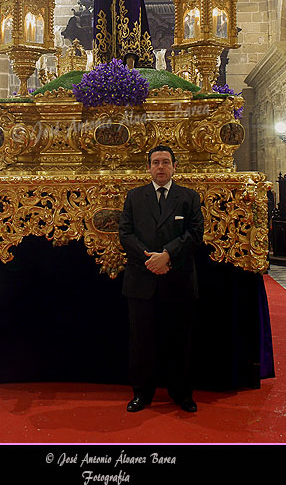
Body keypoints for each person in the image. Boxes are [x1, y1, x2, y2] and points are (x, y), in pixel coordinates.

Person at [118, 145, 204, 412]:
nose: (160, 167)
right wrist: (150, 259)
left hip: (177, 280)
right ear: (148, 168)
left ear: (174, 166)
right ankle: (141, 394)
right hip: (142, 282)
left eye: (166, 162)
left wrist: (167, 255)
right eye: (155, 162)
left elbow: (195, 234)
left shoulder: (189, 197)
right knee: (141, 342)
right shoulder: (134, 197)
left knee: (180, 340)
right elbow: (125, 233)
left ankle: (182, 394)